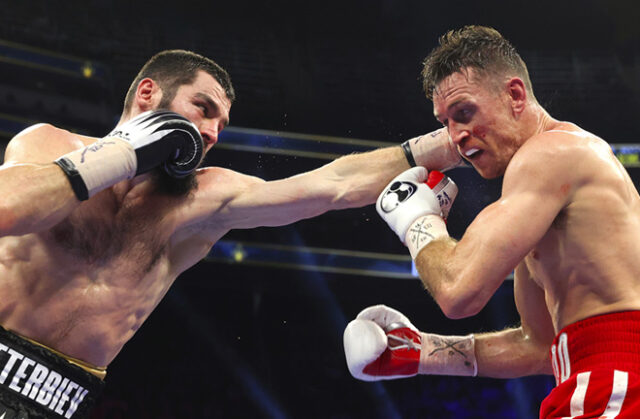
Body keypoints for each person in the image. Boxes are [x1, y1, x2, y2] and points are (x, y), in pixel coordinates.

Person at [0, 49, 464, 418]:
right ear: (147, 94)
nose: (211, 133)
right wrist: (123, 153)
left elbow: (330, 186)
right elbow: (7, 208)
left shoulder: (201, 197)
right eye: (202, 110)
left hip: (61, 397)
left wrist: (448, 144)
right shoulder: (49, 143)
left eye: (220, 125)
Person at [343, 25, 640, 418]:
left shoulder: (550, 154)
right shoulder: (545, 193)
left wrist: (417, 221)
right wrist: (421, 351)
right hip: (602, 376)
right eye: (446, 122)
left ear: (515, 95)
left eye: (464, 113)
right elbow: (539, 345)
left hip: (618, 380)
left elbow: (458, 291)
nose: (456, 137)